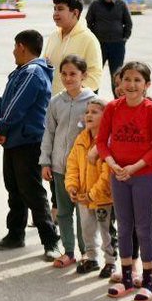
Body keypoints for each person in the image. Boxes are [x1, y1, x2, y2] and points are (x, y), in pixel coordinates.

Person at [99, 61, 152, 300]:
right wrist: (114, 165)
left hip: (143, 177)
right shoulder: (112, 108)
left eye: (138, 80)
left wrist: (134, 167)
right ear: (119, 83)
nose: (131, 84)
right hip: (118, 175)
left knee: (143, 228)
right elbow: (101, 142)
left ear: (147, 85)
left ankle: (148, 280)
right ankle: (127, 278)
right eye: (127, 79)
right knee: (124, 226)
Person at [0, 29, 59, 257]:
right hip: (13, 140)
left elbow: (17, 106)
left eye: (14, 48)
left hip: (27, 141)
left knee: (32, 191)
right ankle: (15, 234)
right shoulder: (20, 72)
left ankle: (50, 241)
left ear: (21, 46)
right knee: (14, 189)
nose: (13, 52)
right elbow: (3, 100)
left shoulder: (32, 72)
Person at [40, 56, 95, 268]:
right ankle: (69, 251)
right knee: (63, 212)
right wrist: (46, 162)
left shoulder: (92, 103)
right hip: (59, 168)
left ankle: (86, 252)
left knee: (84, 215)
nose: (68, 78)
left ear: (84, 75)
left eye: (73, 74)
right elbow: (49, 134)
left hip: (83, 171)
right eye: (64, 74)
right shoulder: (56, 102)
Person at [66, 98, 117, 277]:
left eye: (95, 112)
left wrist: (93, 194)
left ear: (106, 117)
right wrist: (72, 186)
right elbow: (72, 164)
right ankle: (91, 258)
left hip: (103, 198)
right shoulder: (81, 138)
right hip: (83, 196)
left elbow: (107, 173)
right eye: (87, 112)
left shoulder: (107, 142)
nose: (89, 115)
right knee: (87, 229)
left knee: (106, 231)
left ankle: (110, 261)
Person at [44, 0, 103, 92]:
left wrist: (71, 95)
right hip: (50, 103)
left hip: (75, 105)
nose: (55, 14)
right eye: (55, 9)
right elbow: (45, 65)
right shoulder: (54, 36)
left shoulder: (89, 39)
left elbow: (95, 78)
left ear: (75, 13)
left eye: (60, 9)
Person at [86, 0, 133, 92]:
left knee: (116, 75)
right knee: (95, 73)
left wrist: (124, 39)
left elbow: (128, 23)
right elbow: (88, 23)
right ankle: (93, 100)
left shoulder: (121, 4)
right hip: (99, 45)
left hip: (117, 46)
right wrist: (94, 39)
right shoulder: (95, 4)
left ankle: (118, 102)